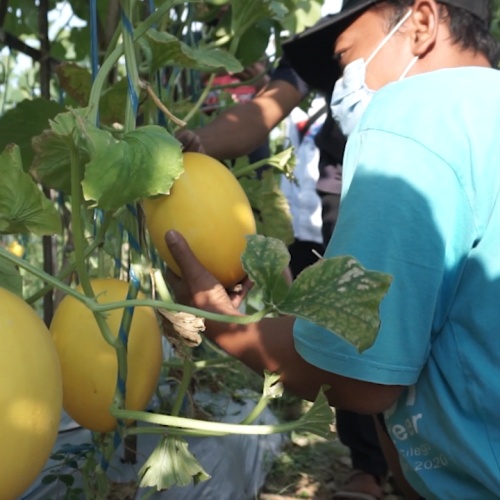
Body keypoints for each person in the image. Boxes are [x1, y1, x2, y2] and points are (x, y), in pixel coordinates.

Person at [167, 0, 500, 498]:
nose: (346, 82)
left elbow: (361, 375)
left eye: (347, 58)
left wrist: (221, 323)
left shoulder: (409, 115)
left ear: (423, 24)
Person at [177, 34, 390, 500]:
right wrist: (191, 145)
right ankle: (372, 464)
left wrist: (227, 328)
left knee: (380, 335)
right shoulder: (332, 44)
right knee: (345, 324)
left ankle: (399, 462)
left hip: (366, 189)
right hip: (328, 196)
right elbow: (261, 113)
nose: (346, 66)